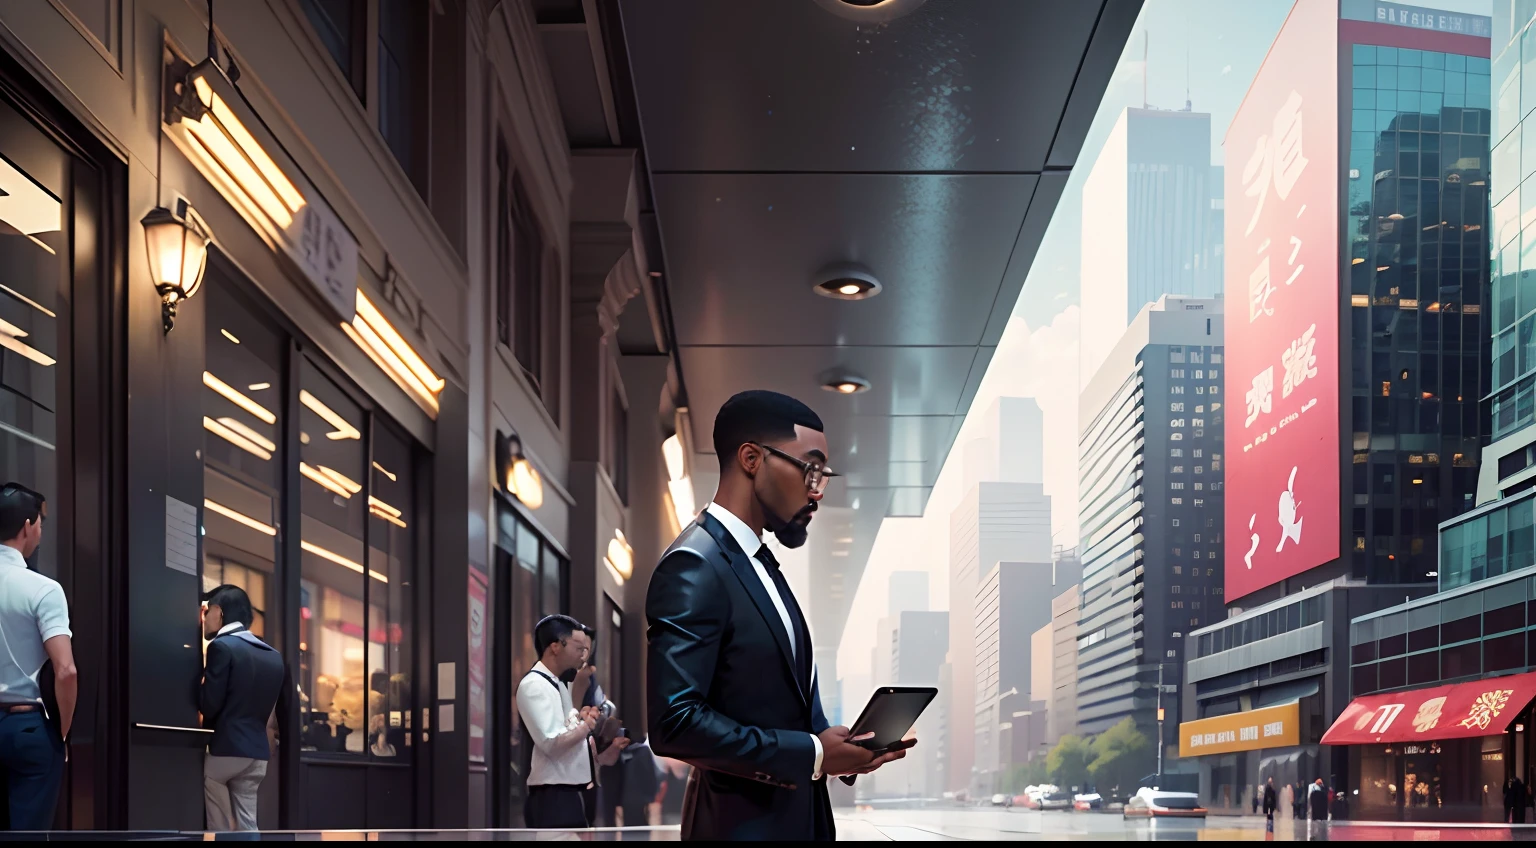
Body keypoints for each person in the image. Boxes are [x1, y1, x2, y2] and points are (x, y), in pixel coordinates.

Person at [646, 391, 911, 841]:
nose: (817, 490)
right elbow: (676, 724)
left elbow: (781, 706)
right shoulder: (694, 564)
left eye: (823, 474)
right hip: (740, 827)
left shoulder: (760, 563)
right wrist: (811, 752)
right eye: (810, 468)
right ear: (751, 458)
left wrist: (836, 746)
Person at [0, 485, 73, 830]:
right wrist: (62, 732)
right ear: (28, 526)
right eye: (41, 524)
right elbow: (66, 670)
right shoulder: (43, 589)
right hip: (28, 725)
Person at [200, 584, 291, 832]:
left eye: (206, 612)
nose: (204, 619)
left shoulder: (222, 647)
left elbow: (210, 705)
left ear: (219, 612)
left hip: (227, 750)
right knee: (248, 823)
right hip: (257, 754)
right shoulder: (272, 656)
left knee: (216, 810)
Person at [518, 614, 602, 829]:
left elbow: (568, 728)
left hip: (571, 792)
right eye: (578, 648)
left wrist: (581, 719)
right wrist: (586, 726)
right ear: (555, 646)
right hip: (551, 796)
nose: (583, 656)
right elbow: (552, 743)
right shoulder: (534, 685)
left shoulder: (559, 684)